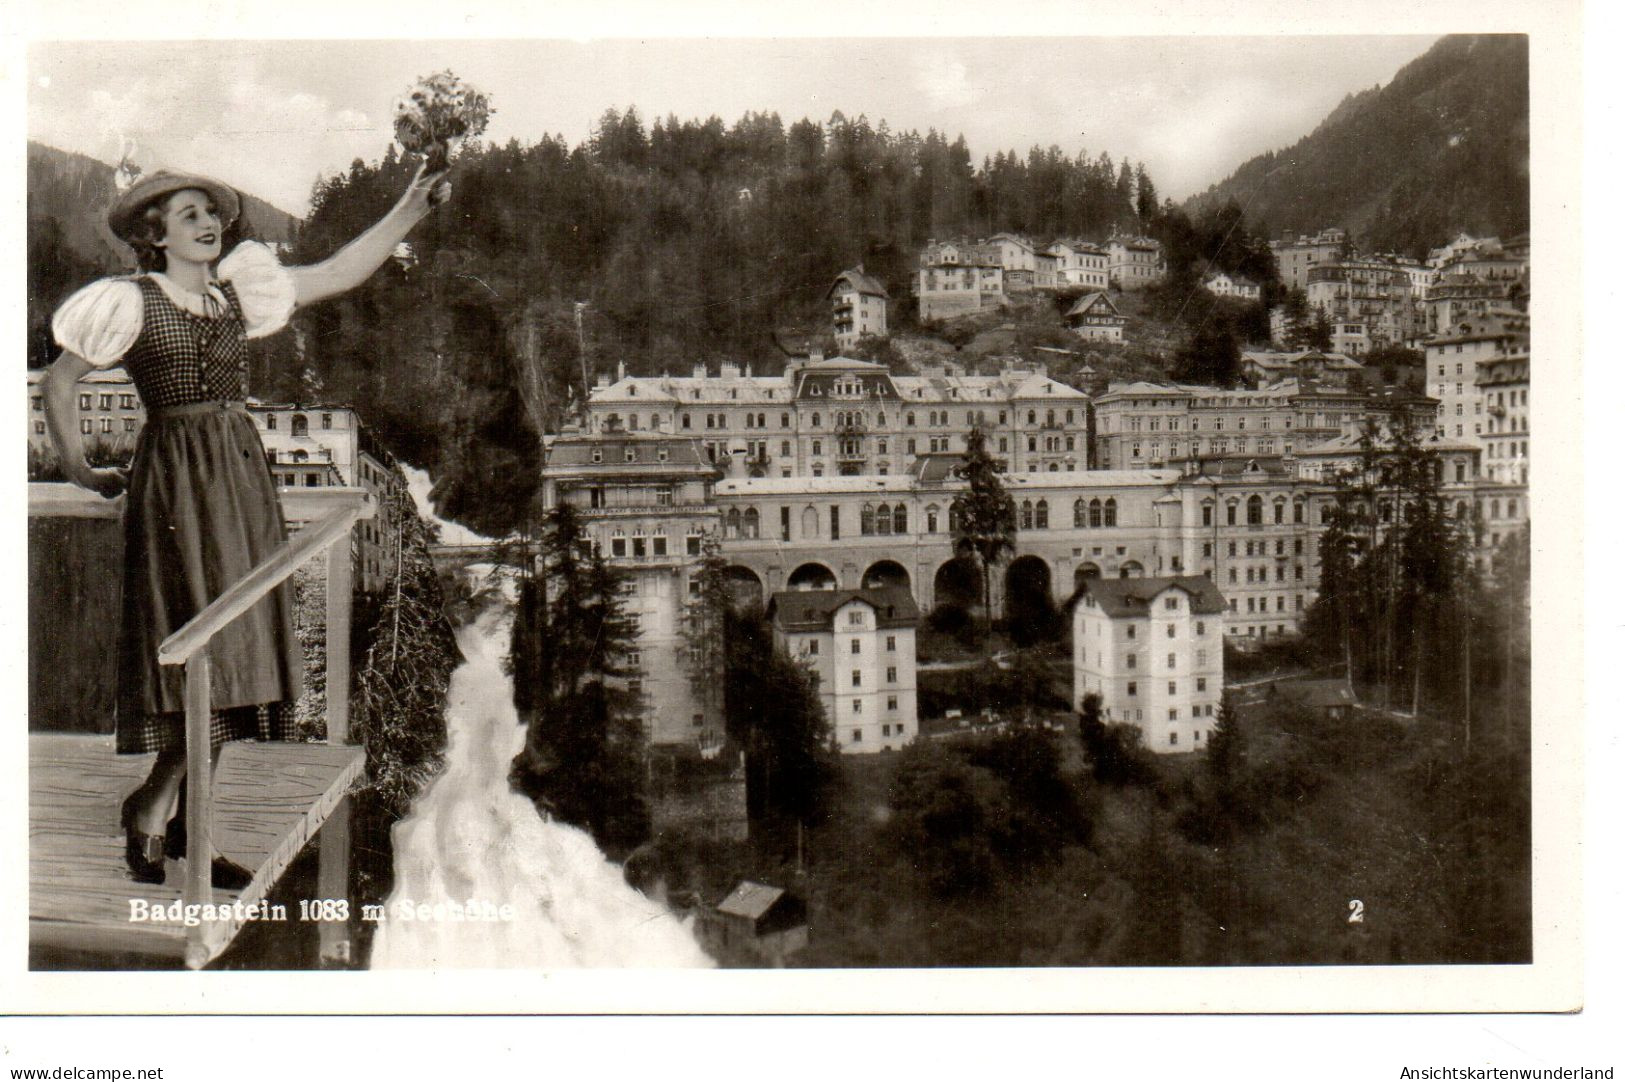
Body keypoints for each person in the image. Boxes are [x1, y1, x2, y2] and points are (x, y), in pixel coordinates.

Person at [43, 162, 450, 887]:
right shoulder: (130, 300)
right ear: (152, 233)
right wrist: (78, 468)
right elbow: (62, 381)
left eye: (213, 214)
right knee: (202, 651)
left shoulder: (237, 296)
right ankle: (161, 814)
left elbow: (336, 271)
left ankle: (166, 812)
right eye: (190, 214)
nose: (210, 225)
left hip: (240, 482)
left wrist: (408, 213)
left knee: (240, 657)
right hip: (175, 487)